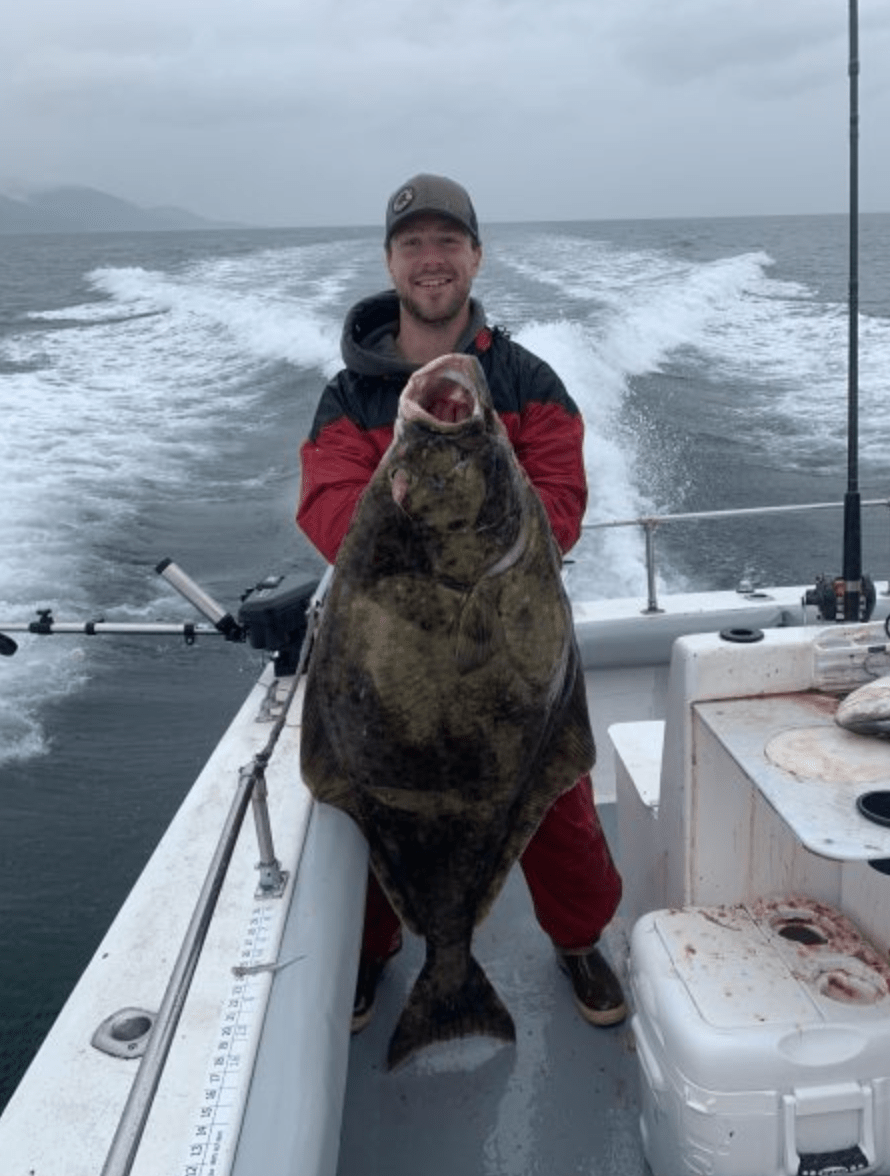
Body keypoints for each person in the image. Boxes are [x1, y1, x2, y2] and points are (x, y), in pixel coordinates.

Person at [296, 173, 626, 1033]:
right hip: (389, 657)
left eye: (448, 242)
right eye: (413, 244)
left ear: (477, 256)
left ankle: (580, 940)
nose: (431, 259)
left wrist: (476, 511)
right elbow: (327, 507)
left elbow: (561, 500)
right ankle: (378, 954)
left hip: (510, 656)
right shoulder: (349, 396)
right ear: (390, 262)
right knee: (374, 815)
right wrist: (404, 502)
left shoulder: (529, 381)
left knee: (560, 808)